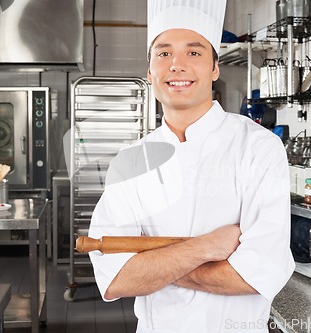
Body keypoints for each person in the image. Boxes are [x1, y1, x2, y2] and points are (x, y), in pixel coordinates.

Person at [88, 1, 295, 332]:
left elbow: (256, 273)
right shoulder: (132, 161)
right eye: (164, 53)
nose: (177, 66)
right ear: (150, 70)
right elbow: (115, 279)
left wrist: (153, 268)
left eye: (194, 53)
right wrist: (207, 247)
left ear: (215, 68)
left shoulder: (258, 148)